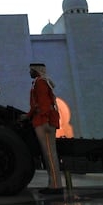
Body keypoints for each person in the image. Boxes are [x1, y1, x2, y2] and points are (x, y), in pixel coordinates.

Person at [24, 62, 64, 195]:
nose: (29, 72)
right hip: (44, 120)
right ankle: (53, 184)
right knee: (49, 154)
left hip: (43, 121)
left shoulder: (40, 83)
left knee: (49, 154)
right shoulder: (41, 82)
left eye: (31, 70)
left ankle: (56, 186)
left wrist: (33, 117)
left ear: (36, 70)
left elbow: (42, 104)